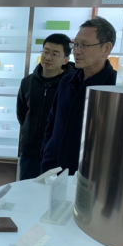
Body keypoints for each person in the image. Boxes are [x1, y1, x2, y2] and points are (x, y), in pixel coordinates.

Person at [41, 17, 117, 176]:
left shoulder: (116, 87)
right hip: (53, 172)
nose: (76, 51)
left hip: (92, 176)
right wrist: (47, 152)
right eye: (75, 44)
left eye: (84, 45)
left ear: (106, 48)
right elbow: (52, 123)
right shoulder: (66, 82)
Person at [17, 34, 74, 180]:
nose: (48, 57)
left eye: (55, 54)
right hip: (30, 153)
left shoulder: (71, 85)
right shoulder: (27, 82)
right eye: (46, 52)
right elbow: (22, 113)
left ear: (65, 59)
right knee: (27, 190)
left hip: (58, 155)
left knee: (54, 193)